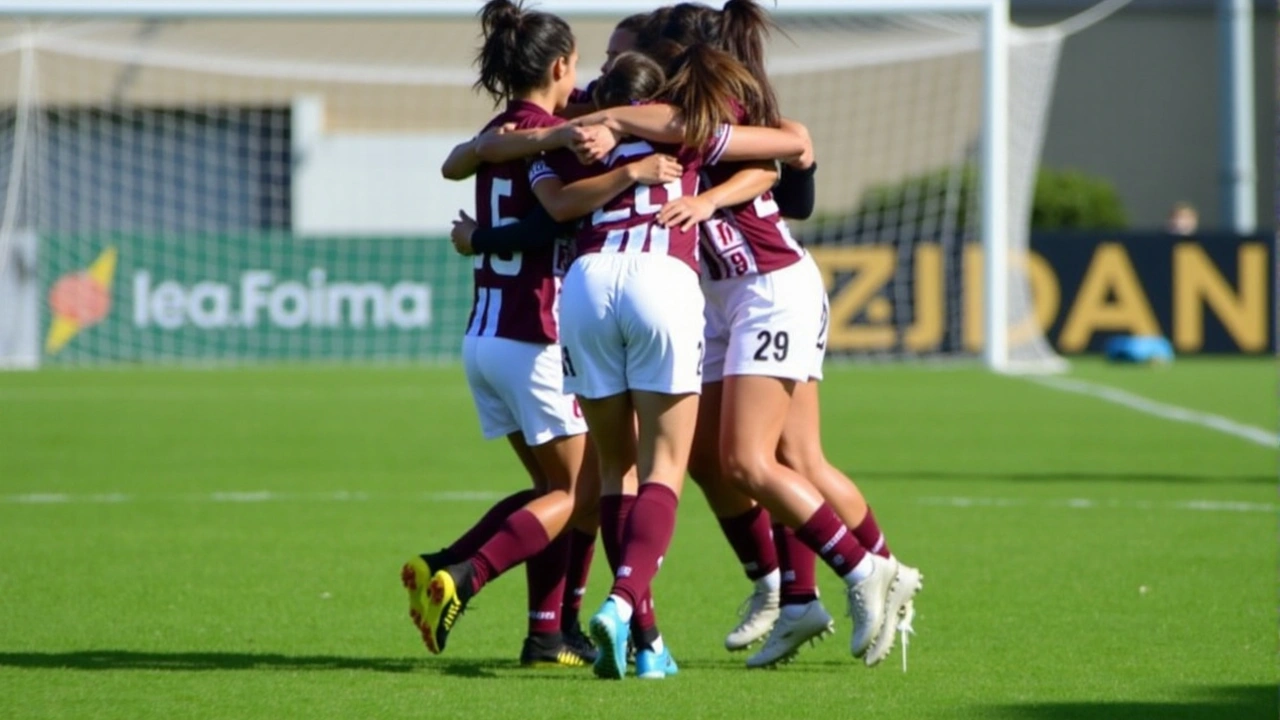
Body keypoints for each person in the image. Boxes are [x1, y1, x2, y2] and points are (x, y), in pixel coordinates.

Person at [566, 2, 923, 670]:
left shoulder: (702, 107)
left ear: (664, 55)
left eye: (621, 53)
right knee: (708, 457)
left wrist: (707, 198)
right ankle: (793, 596)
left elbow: (786, 146)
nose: (610, 68)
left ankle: (873, 569)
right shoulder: (648, 113)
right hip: (712, 298)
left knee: (758, 462)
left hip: (769, 286)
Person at [517, 46, 812, 680]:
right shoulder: (686, 136)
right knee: (665, 466)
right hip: (662, 280)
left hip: (588, 285)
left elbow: (542, 195)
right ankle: (625, 602)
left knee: (612, 469)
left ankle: (648, 641)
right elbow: (783, 150)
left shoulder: (567, 142)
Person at [405, 0, 673, 668]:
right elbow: (555, 209)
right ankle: (462, 577)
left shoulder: (514, 127)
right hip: (535, 333)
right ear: (561, 64)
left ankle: (544, 632)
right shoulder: (556, 134)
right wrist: (633, 172)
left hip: (489, 336)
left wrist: (481, 233)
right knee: (581, 493)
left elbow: (463, 159)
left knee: (557, 495)